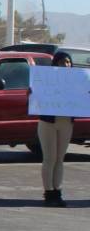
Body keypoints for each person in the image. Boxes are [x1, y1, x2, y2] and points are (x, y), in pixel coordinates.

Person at [37, 51, 75, 207]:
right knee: (49, 158)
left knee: (60, 158)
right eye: (61, 62)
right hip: (48, 123)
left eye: (67, 62)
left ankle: (57, 191)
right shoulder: (46, 80)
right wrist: (33, 93)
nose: (65, 65)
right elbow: (36, 99)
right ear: (55, 64)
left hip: (66, 122)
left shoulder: (76, 81)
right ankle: (49, 192)